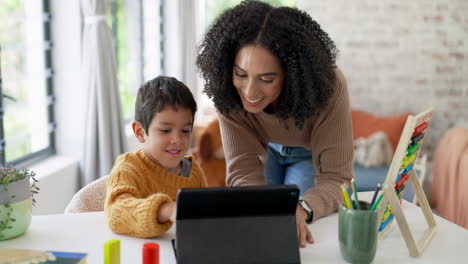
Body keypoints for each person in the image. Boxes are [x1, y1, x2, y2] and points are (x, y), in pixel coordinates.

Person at [196, 0, 353, 247]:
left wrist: (303, 208)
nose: (248, 91)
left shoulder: (329, 87)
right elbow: (242, 171)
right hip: (264, 149)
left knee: (294, 230)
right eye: (241, 74)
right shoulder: (227, 90)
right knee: (259, 221)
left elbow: (338, 180)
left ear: (292, 76)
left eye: (266, 79)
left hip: (307, 153)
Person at [104, 76, 207, 238]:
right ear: (140, 132)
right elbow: (116, 213)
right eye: (165, 131)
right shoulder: (128, 168)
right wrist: (166, 210)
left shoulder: (194, 172)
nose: (177, 140)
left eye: (185, 131)